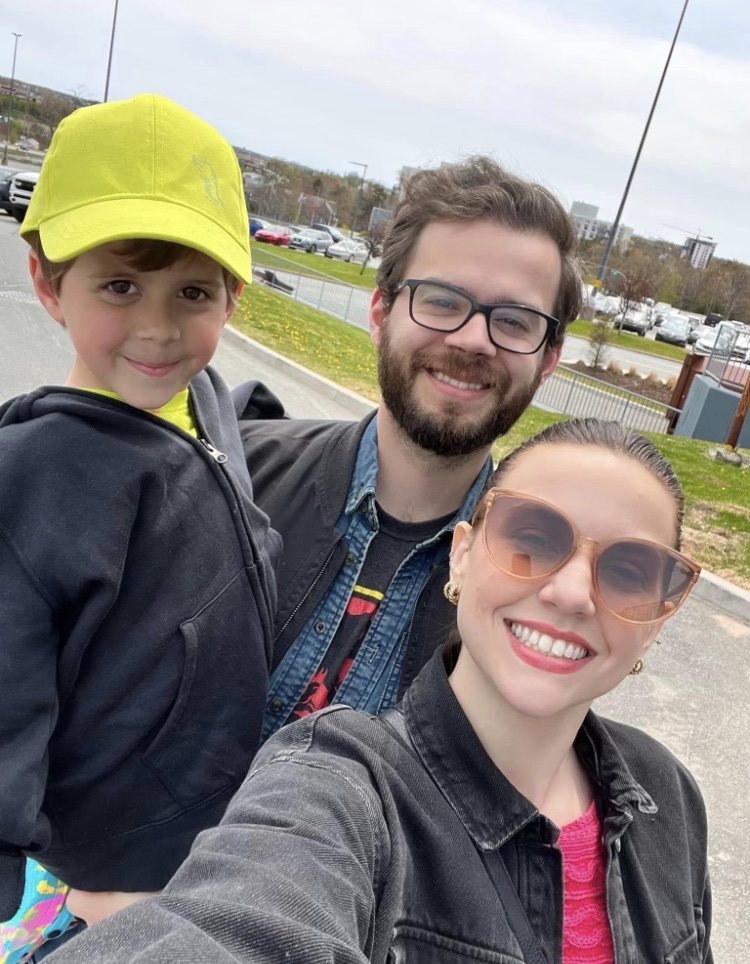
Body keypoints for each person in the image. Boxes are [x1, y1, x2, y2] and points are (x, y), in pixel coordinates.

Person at [45, 418, 711, 963]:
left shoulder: (668, 797)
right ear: (461, 555)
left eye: (629, 571)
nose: (569, 593)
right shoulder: (339, 788)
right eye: (532, 539)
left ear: (656, 621)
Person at [0, 94, 279, 960]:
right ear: (48, 282)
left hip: (207, 849)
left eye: (192, 291)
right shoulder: (32, 478)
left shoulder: (203, 407)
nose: (158, 328)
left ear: (231, 297)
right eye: (120, 285)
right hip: (94, 886)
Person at [234, 157, 583, 742]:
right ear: (381, 313)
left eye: (516, 320)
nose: (473, 340)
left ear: (548, 359)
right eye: (443, 301)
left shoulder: (534, 604)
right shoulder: (238, 479)